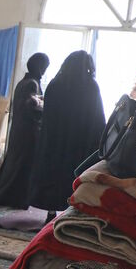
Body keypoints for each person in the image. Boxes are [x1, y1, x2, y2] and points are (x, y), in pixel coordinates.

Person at [29, 50, 105, 213]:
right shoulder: (90, 86)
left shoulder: (55, 84)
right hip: (79, 142)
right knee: (72, 177)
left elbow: (47, 113)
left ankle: (50, 212)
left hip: (54, 140)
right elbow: (97, 117)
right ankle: (70, 211)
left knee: (53, 176)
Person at [0, 52, 48, 209]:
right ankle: (15, 199)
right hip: (28, 131)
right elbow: (31, 108)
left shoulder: (24, 82)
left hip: (19, 130)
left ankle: (3, 196)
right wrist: (45, 109)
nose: (44, 70)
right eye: (44, 67)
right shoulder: (31, 84)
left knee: (15, 164)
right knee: (23, 165)